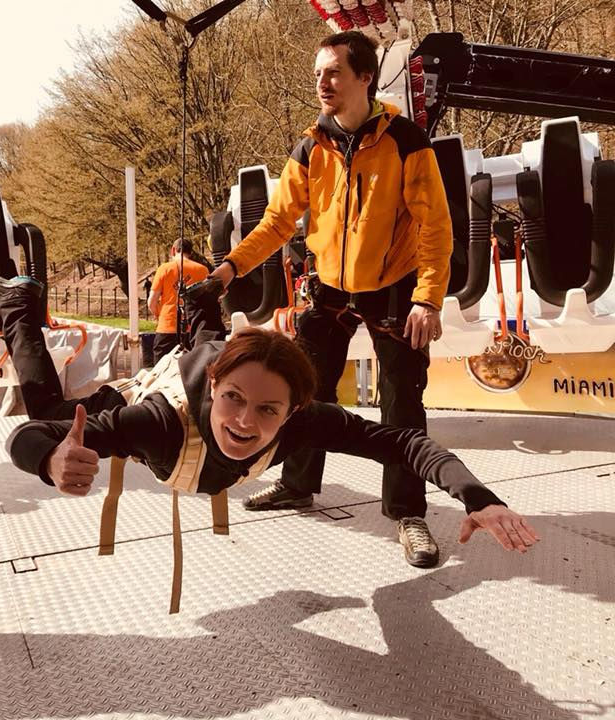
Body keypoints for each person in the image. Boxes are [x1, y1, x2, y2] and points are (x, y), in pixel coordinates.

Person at [0, 275, 538, 568]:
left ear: (293, 411)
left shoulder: (304, 422)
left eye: (267, 410)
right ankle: (17, 306)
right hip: (181, 380)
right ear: (219, 390)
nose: (245, 423)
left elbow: (405, 443)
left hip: (216, 359)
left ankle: (200, 303)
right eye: (235, 401)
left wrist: (477, 496)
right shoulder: (156, 424)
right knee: (53, 411)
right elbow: (27, 435)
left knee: (209, 341)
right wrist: (49, 458)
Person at [208, 31, 454, 569]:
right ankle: (298, 484)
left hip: (395, 288)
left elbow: (435, 225)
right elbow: (277, 223)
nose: (322, 83)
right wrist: (228, 270)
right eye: (318, 73)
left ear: (365, 77)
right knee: (301, 392)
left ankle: (408, 513)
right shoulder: (310, 146)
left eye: (334, 72)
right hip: (331, 287)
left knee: (401, 401)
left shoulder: (407, 141)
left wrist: (428, 299)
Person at [148, 239, 210, 363]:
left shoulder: (164, 268)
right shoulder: (203, 270)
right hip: (193, 327)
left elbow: (152, 301)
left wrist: (158, 315)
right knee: (190, 369)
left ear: (173, 250)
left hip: (167, 325)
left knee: (161, 369)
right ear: (190, 252)